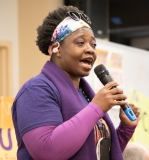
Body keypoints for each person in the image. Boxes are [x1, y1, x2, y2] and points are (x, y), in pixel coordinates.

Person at [11, 5, 140, 160]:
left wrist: (125, 128)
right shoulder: (35, 90)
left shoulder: (85, 95)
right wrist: (97, 107)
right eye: (80, 43)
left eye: (93, 45)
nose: (90, 50)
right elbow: (47, 151)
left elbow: (97, 153)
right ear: (56, 48)